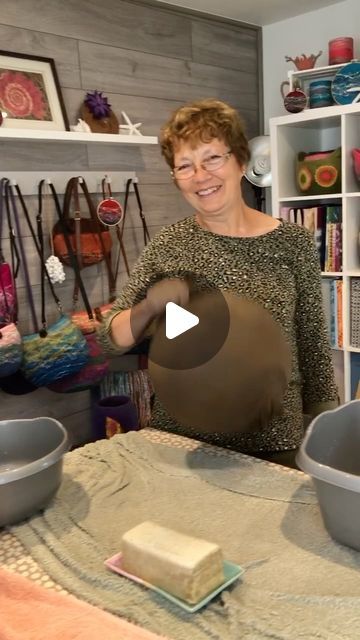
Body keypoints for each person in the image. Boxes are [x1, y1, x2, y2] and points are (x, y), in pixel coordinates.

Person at [99, 98, 338, 468]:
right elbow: (110, 340)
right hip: (183, 442)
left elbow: (313, 346)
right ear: (176, 178)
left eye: (213, 158)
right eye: (185, 165)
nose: (200, 175)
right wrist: (148, 307)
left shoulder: (294, 243)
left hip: (273, 441)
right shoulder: (168, 246)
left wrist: (326, 430)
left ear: (241, 161)